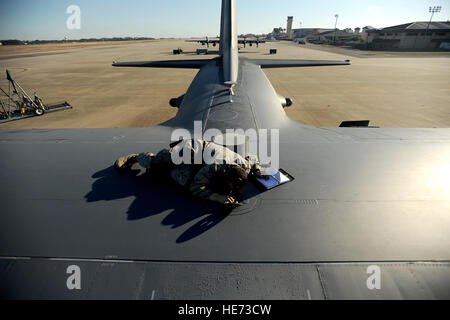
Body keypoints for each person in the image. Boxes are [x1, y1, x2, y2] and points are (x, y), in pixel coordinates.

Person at [114, 139, 266, 205]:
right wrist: (218, 197)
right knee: (160, 163)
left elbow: (253, 158)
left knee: (180, 177)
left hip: (202, 160)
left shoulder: (245, 166)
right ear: (225, 174)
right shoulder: (216, 166)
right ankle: (136, 157)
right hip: (192, 149)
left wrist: (258, 170)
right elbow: (195, 187)